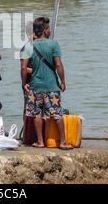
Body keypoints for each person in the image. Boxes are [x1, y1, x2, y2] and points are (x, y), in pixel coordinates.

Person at [20, 17, 72, 150]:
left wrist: (23, 83)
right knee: (57, 113)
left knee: (37, 114)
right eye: (48, 29)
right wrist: (63, 81)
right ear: (44, 31)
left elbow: (23, 68)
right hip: (52, 86)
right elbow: (58, 64)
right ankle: (63, 142)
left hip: (35, 85)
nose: (49, 31)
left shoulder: (28, 46)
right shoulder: (53, 44)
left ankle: (40, 142)